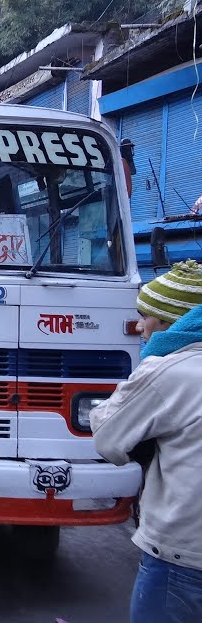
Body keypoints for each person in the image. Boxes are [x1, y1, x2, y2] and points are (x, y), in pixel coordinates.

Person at [91, 260, 202, 623]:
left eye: (145, 317)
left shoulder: (169, 371)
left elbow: (109, 438)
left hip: (182, 556)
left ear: (173, 323)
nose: (138, 328)